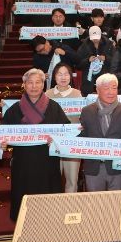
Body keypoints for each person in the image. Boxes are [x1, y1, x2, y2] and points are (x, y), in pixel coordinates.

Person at [3, 68, 70, 221]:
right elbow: (3, 132)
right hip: (23, 161)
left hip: (47, 160)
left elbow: (65, 130)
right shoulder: (14, 109)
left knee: (48, 201)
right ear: (24, 85)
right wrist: (3, 142)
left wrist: (57, 138)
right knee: (23, 199)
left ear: (43, 84)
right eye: (30, 83)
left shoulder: (54, 107)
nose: (34, 86)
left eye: (38, 82)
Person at [79, 74, 121, 191]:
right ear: (97, 90)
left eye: (114, 88)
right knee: (95, 201)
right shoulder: (87, 111)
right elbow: (81, 136)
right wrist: (60, 141)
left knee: (117, 201)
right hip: (94, 167)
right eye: (106, 88)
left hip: (117, 166)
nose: (111, 92)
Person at [45, 63, 83, 193]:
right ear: (54, 76)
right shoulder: (47, 94)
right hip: (52, 142)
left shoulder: (77, 94)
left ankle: (70, 204)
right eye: (59, 74)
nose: (63, 77)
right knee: (52, 179)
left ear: (70, 76)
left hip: (72, 141)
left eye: (66, 74)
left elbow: (82, 117)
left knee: (72, 180)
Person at [77, 26, 115, 95]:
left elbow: (116, 61)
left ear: (101, 35)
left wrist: (106, 58)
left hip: (105, 71)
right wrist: (88, 60)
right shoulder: (84, 46)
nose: (95, 40)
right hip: (88, 73)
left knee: (106, 83)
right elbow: (78, 64)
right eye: (93, 38)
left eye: (97, 38)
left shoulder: (109, 45)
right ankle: (86, 97)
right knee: (87, 86)